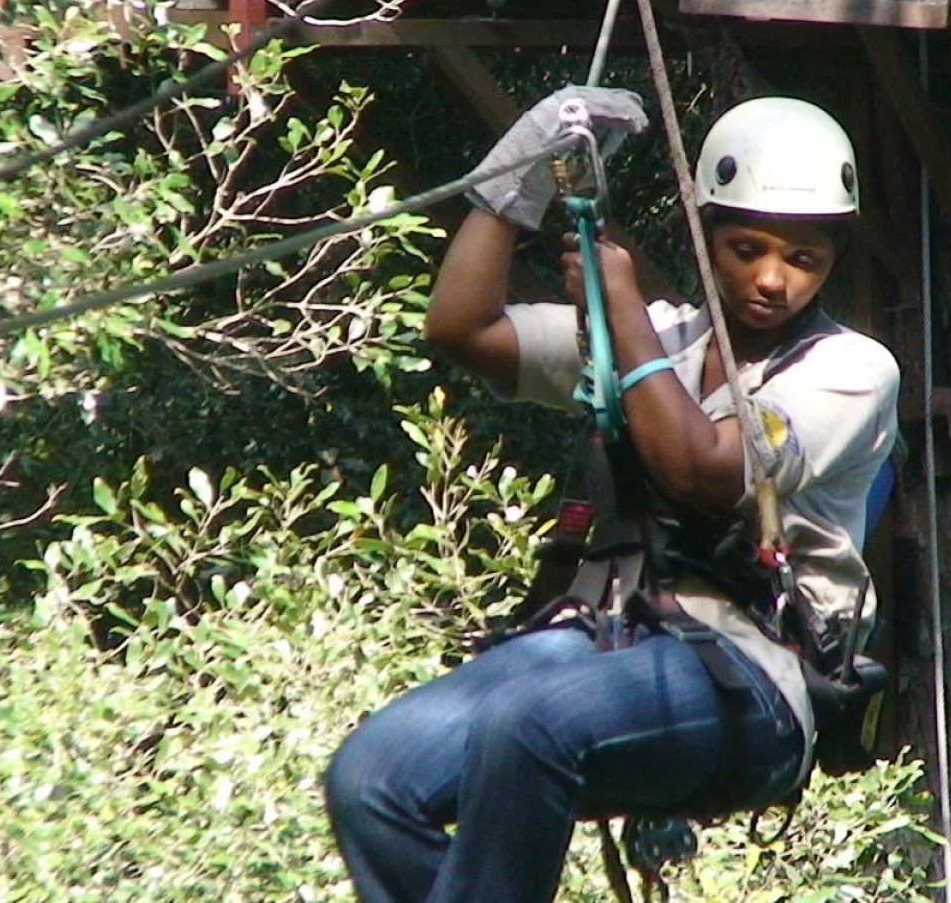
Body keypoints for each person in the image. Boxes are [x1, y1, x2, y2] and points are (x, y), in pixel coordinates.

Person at [323, 90, 900, 903]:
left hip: (754, 674)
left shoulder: (850, 370)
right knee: (370, 776)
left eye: (804, 259)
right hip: (599, 637)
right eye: (748, 249)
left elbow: (705, 469)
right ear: (705, 236)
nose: (773, 279)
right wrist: (511, 183)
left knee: (530, 722)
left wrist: (619, 303)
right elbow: (461, 327)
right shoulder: (661, 336)